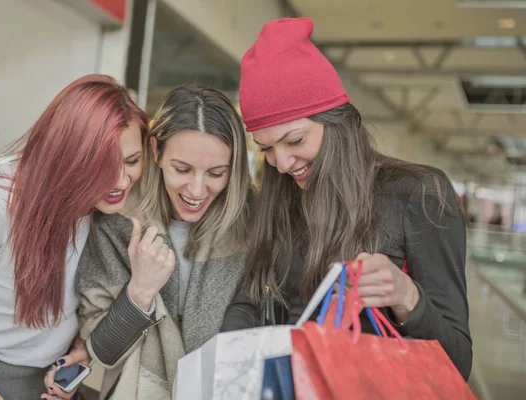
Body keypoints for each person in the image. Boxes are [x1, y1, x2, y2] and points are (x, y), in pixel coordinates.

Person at [225, 17, 472, 381]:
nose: (282, 163)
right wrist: (229, 354)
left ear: (337, 123)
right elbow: (251, 300)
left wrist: (407, 296)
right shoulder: (280, 199)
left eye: (294, 141)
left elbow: (458, 363)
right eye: (266, 149)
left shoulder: (419, 194)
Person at [0, 74, 148, 400]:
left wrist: (77, 355)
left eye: (132, 161)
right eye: (103, 164)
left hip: (46, 382)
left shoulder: (107, 213)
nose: (121, 180)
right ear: (69, 156)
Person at [72, 84, 255, 399]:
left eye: (216, 173)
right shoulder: (115, 223)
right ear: (155, 152)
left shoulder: (252, 225)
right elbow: (101, 351)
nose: (197, 190)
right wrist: (139, 291)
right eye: (182, 169)